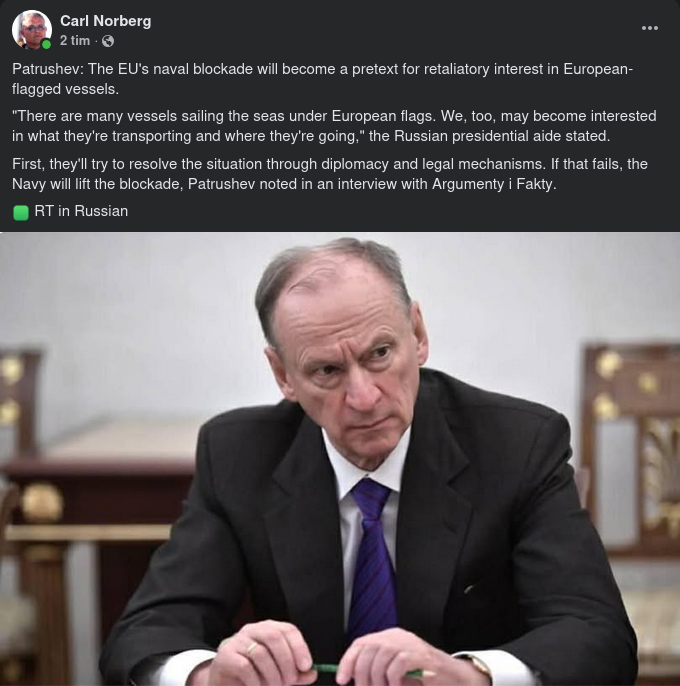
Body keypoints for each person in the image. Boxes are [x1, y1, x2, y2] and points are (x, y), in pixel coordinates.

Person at [100, 238, 637, 686]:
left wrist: (470, 676)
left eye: (379, 354)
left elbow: (598, 635)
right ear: (283, 376)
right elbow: (141, 636)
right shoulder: (238, 455)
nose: (363, 397)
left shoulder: (518, 444)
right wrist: (208, 675)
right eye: (327, 371)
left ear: (418, 335)